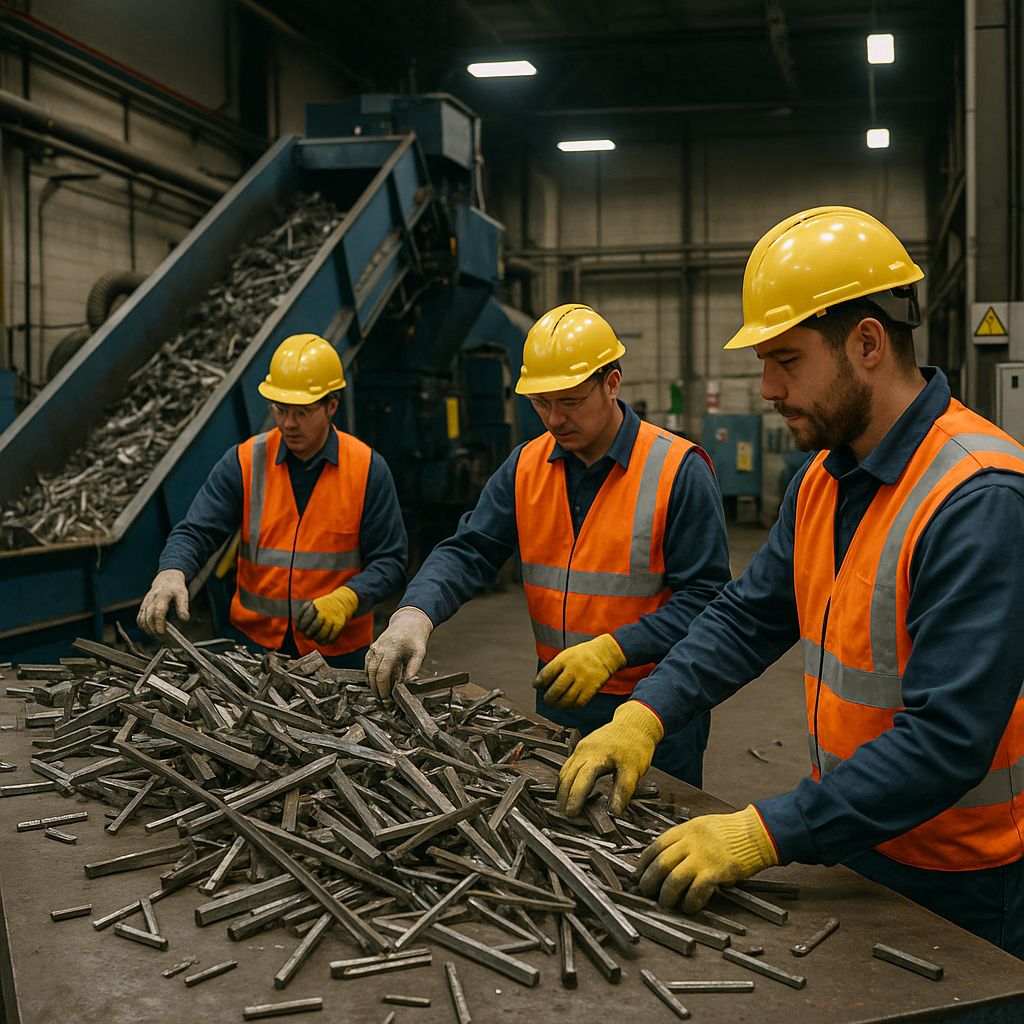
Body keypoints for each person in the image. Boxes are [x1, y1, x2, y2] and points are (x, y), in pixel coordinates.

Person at [556, 206, 1024, 958]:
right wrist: (645, 715)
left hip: (960, 878)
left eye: (786, 359)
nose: (768, 387)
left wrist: (761, 832)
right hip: (851, 833)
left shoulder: (978, 496)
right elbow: (747, 616)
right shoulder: (824, 478)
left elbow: (948, 740)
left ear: (868, 342)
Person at [365, 304, 730, 786]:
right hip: (558, 702)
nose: (554, 418)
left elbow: (707, 600)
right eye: (541, 402)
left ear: (612, 383)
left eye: (572, 401)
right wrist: (414, 613)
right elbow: (469, 549)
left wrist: (614, 651)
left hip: (654, 709)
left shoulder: (678, 470)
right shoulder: (526, 467)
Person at [137, 333, 407, 668]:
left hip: (338, 654)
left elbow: (391, 561)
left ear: (331, 406)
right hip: (252, 647)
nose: (288, 423)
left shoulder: (367, 469)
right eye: (279, 409)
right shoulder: (246, 461)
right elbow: (196, 531)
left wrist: (348, 599)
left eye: (302, 412)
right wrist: (172, 572)